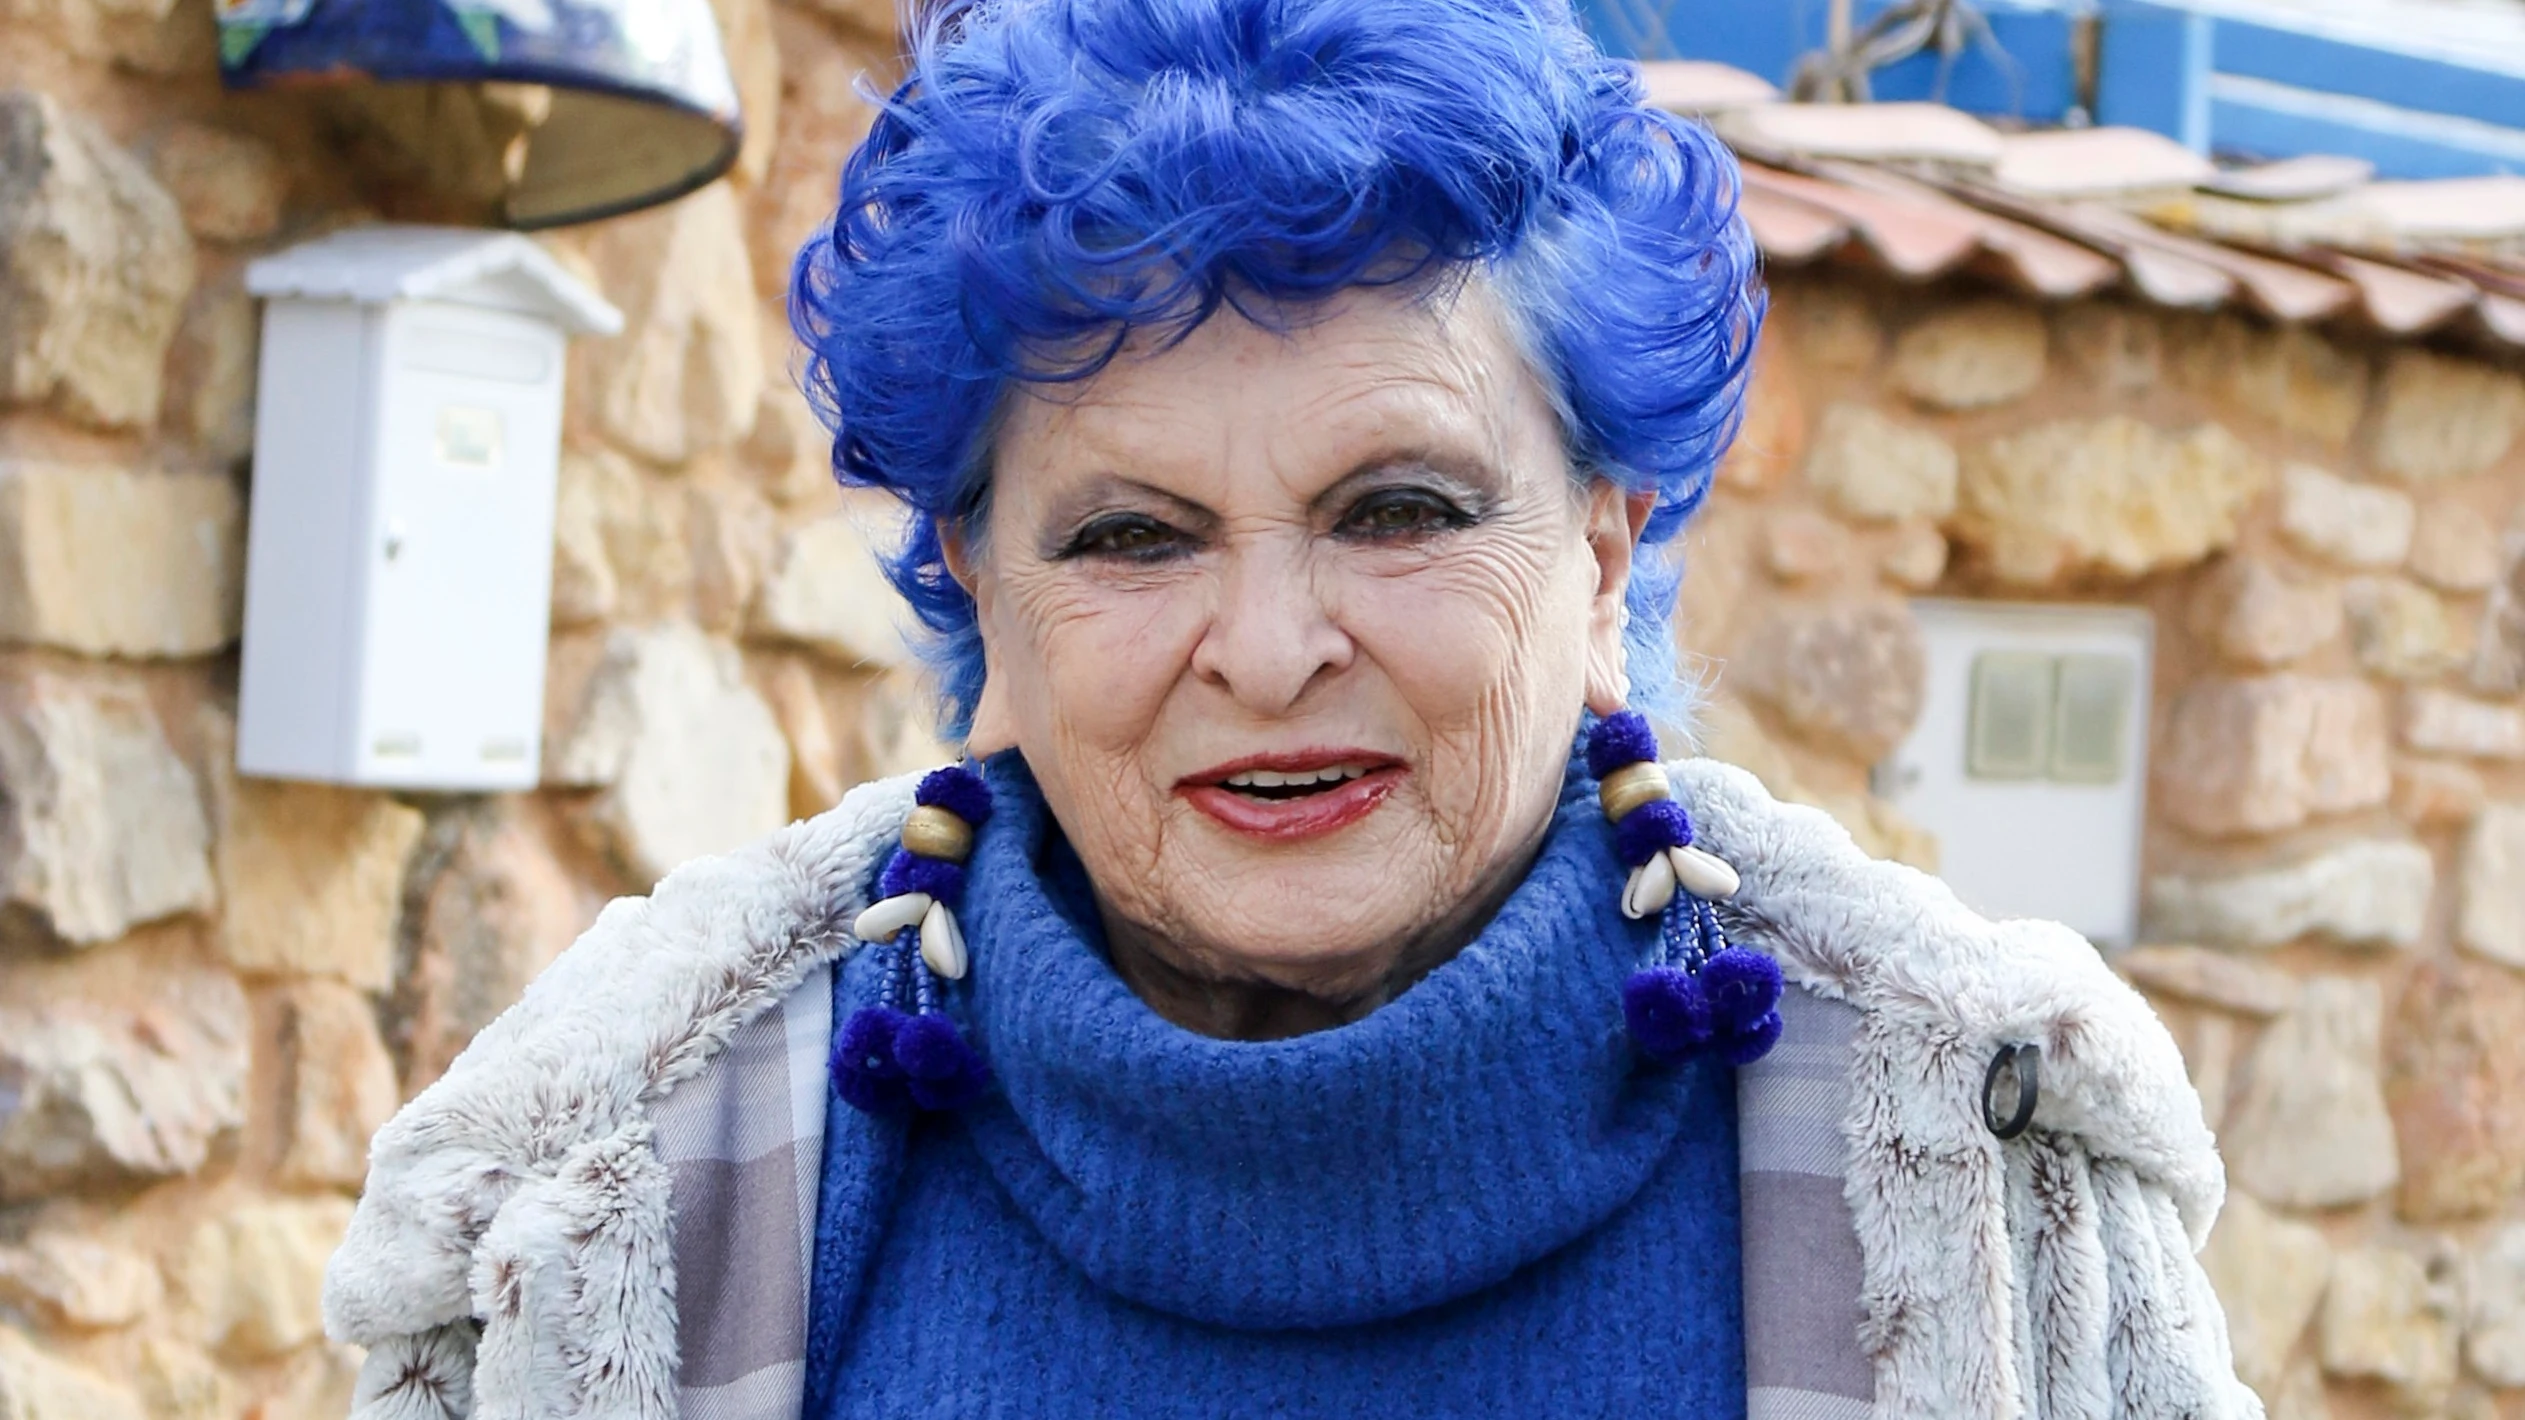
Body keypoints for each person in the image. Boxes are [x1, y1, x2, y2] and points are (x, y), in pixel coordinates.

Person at [323, 0, 2256, 1415]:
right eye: (1133, 537)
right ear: (978, 593)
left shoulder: (1994, 1181)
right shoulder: (615, 1189)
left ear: (1601, 554)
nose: (1264, 645)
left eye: (1396, 510)